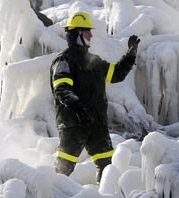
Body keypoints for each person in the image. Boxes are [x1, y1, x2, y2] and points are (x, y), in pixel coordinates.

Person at [50, 11, 140, 183]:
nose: (91, 35)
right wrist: (80, 111)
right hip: (73, 125)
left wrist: (130, 56)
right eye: (86, 31)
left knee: (107, 167)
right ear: (76, 34)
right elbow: (61, 90)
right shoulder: (64, 61)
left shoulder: (94, 61)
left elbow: (115, 74)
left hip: (97, 125)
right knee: (62, 170)